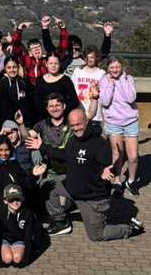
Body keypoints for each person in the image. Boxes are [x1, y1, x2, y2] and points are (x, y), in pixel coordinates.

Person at [25, 109, 144, 240]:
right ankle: (61, 222)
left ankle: (130, 228)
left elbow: (110, 167)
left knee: (97, 235)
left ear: (86, 121)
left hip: (91, 197)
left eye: (79, 124)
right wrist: (42, 146)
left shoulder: (100, 144)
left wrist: (104, 172)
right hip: (72, 187)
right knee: (46, 184)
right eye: (73, 125)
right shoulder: (73, 140)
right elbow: (62, 155)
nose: (76, 128)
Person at [0, 136, 44, 239]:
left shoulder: (14, 164)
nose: (4, 153)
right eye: (0, 150)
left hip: (14, 205)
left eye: (6, 150)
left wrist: (33, 175)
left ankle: (30, 241)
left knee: (30, 221)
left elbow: (24, 186)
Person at [100, 56, 141, 197]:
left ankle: (131, 180)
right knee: (117, 154)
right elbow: (105, 101)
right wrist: (111, 84)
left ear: (122, 67)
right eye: (111, 67)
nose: (115, 70)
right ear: (108, 68)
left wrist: (121, 81)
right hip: (113, 122)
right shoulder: (104, 80)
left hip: (130, 121)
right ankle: (117, 181)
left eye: (117, 67)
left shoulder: (128, 79)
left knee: (133, 156)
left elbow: (130, 98)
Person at [11, 16, 68, 85]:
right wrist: (19, 29)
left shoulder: (47, 61)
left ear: (42, 49)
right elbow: (15, 47)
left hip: (45, 90)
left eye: (38, 48)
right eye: (33, 49)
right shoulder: (26, 60)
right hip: (30, 91)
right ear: (30, 52)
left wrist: (63, 28)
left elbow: (62, 49)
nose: (37, 50)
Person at [0, 184, 34, 268]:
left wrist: (25, 261)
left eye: (18, 199)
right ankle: (7, 251)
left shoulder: (27, 213)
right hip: (5, 240)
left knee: (17, 259)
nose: (15, 202)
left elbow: (29, 236)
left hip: (19, 241)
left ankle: (16, 251)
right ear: (5, 201)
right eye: (11, 199)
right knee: (7, 259)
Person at [34, 52, 80, 120]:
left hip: (63, 119)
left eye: (56, 63)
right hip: (45, 119)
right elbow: (37, 101)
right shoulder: (40, 80)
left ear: (60, 64)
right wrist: (48, 112)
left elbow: (74, 101)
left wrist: (61, 112)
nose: (53, 66)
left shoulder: (66, 80)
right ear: (46, 64)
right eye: (51, 63)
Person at [71, 45, 106, 119]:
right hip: (79, 112)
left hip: (96, 115)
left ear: (96, 58)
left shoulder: (101, 73)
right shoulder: (78, 71)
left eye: (92, 57)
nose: (89, 60)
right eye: (87, 57)